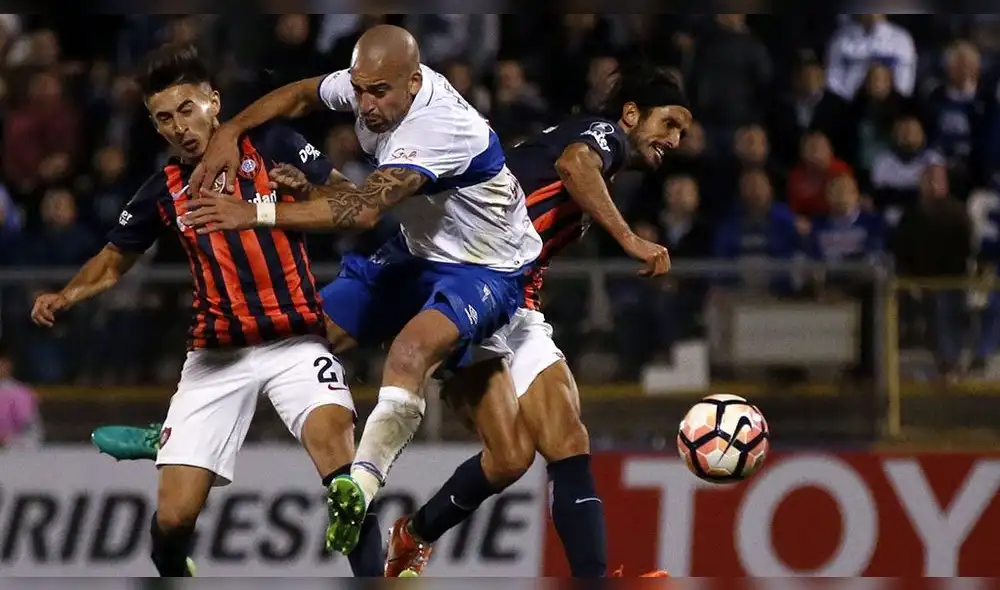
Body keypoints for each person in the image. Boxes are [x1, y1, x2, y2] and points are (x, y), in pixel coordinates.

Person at [92, 62, 691, 579]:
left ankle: (418, 536)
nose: (676, 140)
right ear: (632, 114)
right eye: (670, 123)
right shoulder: (601, 135)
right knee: (295, 340)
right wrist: (631, 239)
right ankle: (177, 430)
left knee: (522, 453)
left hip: (505, 296)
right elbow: (575, 164)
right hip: (437, 264)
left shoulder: (563, 144)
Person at [180, 24, 543, 556]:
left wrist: (254, 212)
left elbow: (364, 209)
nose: (366, 104)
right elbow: (302, 94)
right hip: (417, 252)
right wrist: (232, 129)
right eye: (359, 89)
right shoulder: (367, 84)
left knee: (419, 360)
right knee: (293, 333)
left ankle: (364, 489)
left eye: (380, 92)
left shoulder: (437, 127)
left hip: (484, 271)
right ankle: (182, 431)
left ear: (414, 83)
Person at [30, 43, 385, 578]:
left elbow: (354, 205)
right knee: (173, 521)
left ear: (214, 103)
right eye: (164, 118)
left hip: (296, 342)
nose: (178, 125)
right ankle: (176, 567)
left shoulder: (273, 143)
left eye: (187, 109)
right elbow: (111, 261)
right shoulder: (163, 190)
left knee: (343, 477)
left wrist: (305, 188)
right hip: (216, 357)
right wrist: (66, 294)